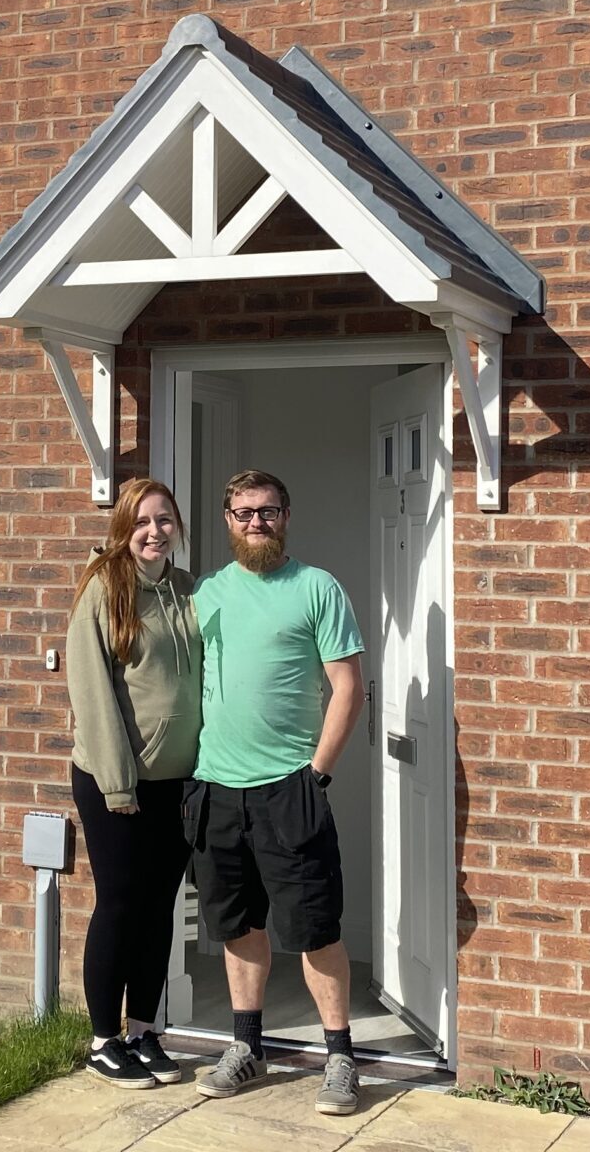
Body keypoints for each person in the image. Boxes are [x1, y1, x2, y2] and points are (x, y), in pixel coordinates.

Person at [186, 467, 366, 1118]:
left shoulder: (317, 588)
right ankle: (246, 1048)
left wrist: (316, 775)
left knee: (315, 929)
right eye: (242, 512)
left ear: (287, 515)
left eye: (267, 510)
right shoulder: (207, 595)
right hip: (216, 789)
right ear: (227, 521)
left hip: (290, 788)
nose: (255, 522)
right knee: (240, 926)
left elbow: (349, 688)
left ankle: (341, 1058)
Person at [65, 476, 203, 1089]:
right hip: (114, 782)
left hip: (176, 783)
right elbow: (93, 695)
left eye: (165, 521)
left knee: (158, 907)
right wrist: (120, 785)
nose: (155, 532)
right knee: (120, 905)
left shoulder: (186, 591)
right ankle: (103, 1039)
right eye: (143, 522)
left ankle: (145, 1031)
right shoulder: (103, 590)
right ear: (124, 528)